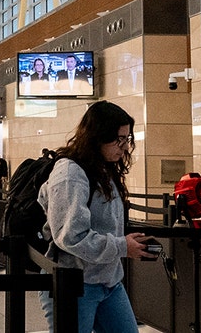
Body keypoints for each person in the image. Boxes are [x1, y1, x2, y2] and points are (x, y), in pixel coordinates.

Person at [36, 100, 156, 332]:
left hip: (108, 281)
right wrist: (122, 246)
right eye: (118, 139)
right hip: (75, 283)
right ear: (97, 136)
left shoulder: (103, 169)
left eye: (127, 139)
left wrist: (125, 243)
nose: (124, 147)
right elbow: (71, 236)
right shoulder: (70, 173)